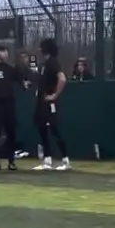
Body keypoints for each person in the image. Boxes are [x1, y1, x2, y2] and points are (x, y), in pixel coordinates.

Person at [33, 37, 70, 172]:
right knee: (42, 129)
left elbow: (62, 79)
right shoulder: (44, 64)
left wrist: (54, 95)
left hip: (49, 103)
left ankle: (65, 160)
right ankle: (47, 161)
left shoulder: (53, 62)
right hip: (41, 102)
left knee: (54, 129)